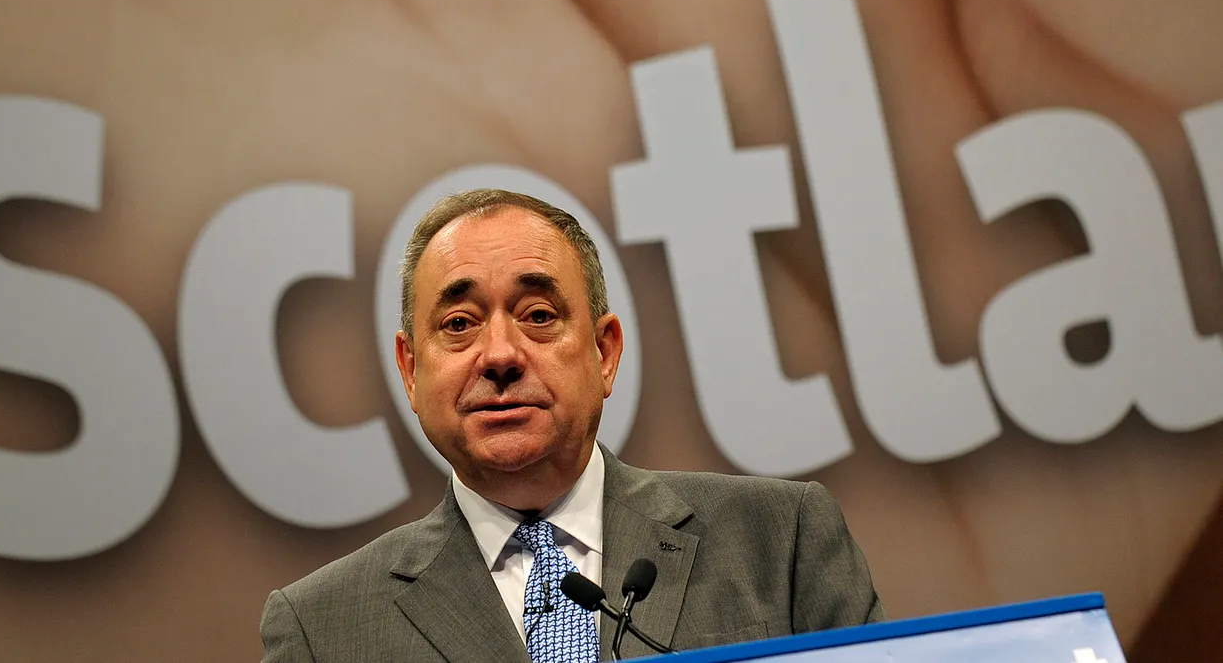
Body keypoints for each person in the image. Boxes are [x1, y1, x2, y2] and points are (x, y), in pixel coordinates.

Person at [260, 189, 883, 662]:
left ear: (604, 353)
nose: (500, 355)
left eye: (537, 314)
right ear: (410, 370)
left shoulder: (780, 543)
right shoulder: (323, 630)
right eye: (458, 324)